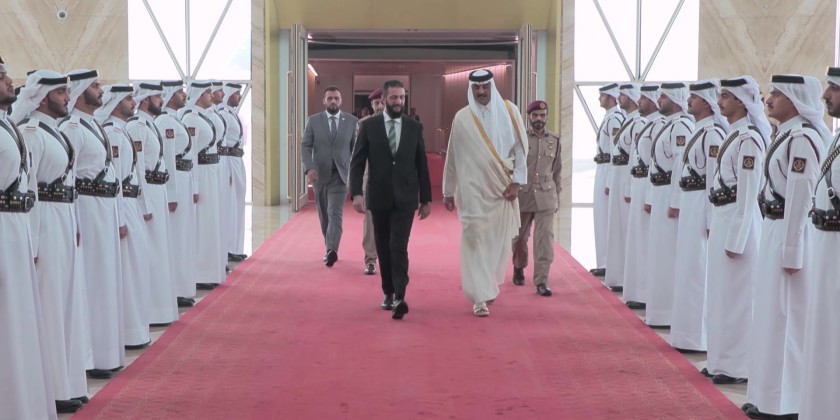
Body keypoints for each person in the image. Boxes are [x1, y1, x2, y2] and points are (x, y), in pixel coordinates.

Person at [742, 75, 828, 419]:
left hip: (789, 232)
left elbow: (800, 198)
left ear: (794, 99)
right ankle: (766, 396)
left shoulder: (802, 139)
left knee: (787, 316)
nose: (769, 99)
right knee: (770, 314)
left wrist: (792, 250)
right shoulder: (786, 135)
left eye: (777, 94)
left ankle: (785, 402)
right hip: (774, 227)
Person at [442, 69, 527, 317]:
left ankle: (487, 283)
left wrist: (517, 183)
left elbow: (521, 150)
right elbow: (453, 155)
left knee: (496, 242)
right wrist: (448, 190)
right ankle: (479, 296)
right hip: (471, 191)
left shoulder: (510, 112)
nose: (481, 92)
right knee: (474, 236)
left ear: (492, 86)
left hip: (501, 189)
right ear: (471, 89)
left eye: (485, 87)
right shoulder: (462, 118)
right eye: (476, 88)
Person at [0, 62, 59, 419]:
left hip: (15, 229)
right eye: (1, 77)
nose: (10, 81)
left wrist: (31, 238)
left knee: (19, 320)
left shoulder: (9, 125)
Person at [59, 69, 127, 379]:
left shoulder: (92, 124)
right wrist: (73, 220)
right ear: (81, 91)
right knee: (94, 281)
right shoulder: (72, 127)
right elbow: (68, 177)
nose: (101, 91)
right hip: (86, 208)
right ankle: (92, 356)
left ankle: (107, 352)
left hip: (103, 207)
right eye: (95, 86)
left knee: (106, 279)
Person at [705, 75, 770, 384]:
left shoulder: (749, 140)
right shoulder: (734, 135)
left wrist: (738, 237)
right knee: (721, 293)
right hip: (723, 216)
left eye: (725, 97)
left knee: (738, 298)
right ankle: (720, 360)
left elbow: (748, 192)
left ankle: (738, 367)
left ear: (742, 102)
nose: (719, 102)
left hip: (737, 220)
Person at [349, 80, 432, 320]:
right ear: (384, 100)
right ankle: (388, 291)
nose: (398, 102)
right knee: (384, 246)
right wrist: (356, 193)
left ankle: (400, 296)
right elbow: (357, 162)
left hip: (406, 197)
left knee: (398, 245)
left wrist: (426, 198)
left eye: (402, 97)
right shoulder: (369, 126)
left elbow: (422, 164)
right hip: (379, 196)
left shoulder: (414, 127)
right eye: (394, 97)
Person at [669, 80, 727, 352]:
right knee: (687, 268)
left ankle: (698, 337)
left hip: (701, 205)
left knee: (697, 270)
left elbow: (713, 180)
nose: (688, 100)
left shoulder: (712, 134)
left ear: (706, 102)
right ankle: (686, 334)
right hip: (690, 203)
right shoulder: (699, 130)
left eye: (694, 97)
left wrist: (710, 220)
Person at [97, 84, 153, 349]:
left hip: (131, 204)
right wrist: (120, 219)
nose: (134, 102)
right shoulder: (113, 133)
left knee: (138, 267)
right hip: (123, 205)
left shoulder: (122, 131)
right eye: (129, 98)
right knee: (130, 270)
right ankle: (131, 331)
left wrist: (143, 205)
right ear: (117, 102)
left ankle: (137, 328)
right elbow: (116, 179)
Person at [801, 66, 840, 420]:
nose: (826, 95)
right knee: (825, 333)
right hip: (826, 246)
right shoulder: (836, 137)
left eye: (834, 88)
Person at [126, 82, 180, 323]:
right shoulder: (136, 127)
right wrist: (144, 204)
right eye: (158, 96)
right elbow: (137, 168)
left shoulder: (150, 124)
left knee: (161, 250)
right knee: (153, 252)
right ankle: (153, 311)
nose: (162, 100)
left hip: (158, 191)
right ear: (146, 99)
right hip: (148, 191)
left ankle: (162, 308)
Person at [644, 82, 694, 328]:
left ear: (674, 99)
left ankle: (667, 313)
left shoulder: (682, 126)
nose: (659, 100)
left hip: (669, 195)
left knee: (666, 255)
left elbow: (679, 166)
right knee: (658, 253)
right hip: (660, 192)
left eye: (663, 96)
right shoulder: (669, 125)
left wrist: (675, 201)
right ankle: (658, 311)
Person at [301, 86, 358, 267]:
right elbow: (305, 145)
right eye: (330, 98)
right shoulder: (313, 121)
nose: (333, 101)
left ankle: (332, 249)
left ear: (341, 101)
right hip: (319, 175)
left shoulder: (351, 121)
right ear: (324, 101)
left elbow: (355, 150)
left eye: (336, 98)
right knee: (324, 214)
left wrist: (354, 173)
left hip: (340, 175)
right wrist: (309, 167)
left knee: (335, 212)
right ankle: (329, 245)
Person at [510, 100, 562, 297]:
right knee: (519, 238)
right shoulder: (519, 139)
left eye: (542, 115)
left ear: (547, 116)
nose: (538, 119)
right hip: (523, 194)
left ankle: (542, 280)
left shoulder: (555, 140)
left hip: (546, 195)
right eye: (535, 116)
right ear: (529, 117)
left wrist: (558, 196)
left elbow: (557, 170)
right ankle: (518, 266)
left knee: (544, 239)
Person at [157, 80, 199, 307]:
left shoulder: (174, 119)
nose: (184, 95)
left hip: (184, 178)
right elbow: (168, 160)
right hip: (176, 181)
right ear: (170, 95)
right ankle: (174, 290)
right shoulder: (165, 122)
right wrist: (172, 194)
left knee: (183, 236)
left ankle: (181, 287)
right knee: (177, 238)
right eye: (180, 92)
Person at [622, 83, 663, 309]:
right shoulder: (648, 124)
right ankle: (639, 289)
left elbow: (656, 164)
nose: (639, 102)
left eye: (644, 99)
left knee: (646, 241)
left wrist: (649, 196)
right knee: (637, 239)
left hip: (649, 186)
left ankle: (647, 293)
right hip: (639, 184)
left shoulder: (660, 126)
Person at [182, 81, 226, 288]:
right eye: (208, 92)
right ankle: (201, 273)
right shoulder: (191, 118)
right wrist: (195, 187)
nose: (211, 95)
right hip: (201, 172)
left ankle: (211, 271)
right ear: (199, 95)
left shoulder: (204, 116)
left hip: (211, 172)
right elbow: (190, 153)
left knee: (211, 223)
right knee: (203, 224)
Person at [603, 83, 646, 292]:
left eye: (623, 95)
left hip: (627, 176)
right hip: (618, 173)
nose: (619, 98)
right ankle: (618, 275)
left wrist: (628, 186)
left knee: (625, 227)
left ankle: (627, 278)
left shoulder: (638, 122)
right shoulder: (628, 120)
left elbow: (636, 156)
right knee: (617, 226)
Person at [590, 83, 624, 277]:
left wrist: (610, 180)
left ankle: (606, 262)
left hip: (607, 169)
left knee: (605, 217)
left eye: (602, 95)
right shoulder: (610, 118)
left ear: (611, 97)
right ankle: (602, 260)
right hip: (602, 167)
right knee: (600, 216)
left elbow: (615, 150)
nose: (599, 99)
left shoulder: (615, 119)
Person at [356, 88, 385, 275]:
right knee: (370, 222)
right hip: (370, 179)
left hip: (393, 181)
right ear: (371, 105)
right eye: (376, 103)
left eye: (382, 102)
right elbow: (357, 157)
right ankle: (370, 259)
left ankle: (390, 258)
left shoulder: (400, 123)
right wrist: (356, 187)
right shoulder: (363, 124)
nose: (380, 107)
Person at [219, 82, 248, 263]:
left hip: (237, 159)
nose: (239, 96)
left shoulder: (231, 114)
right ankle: (229, 248)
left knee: (238, 204)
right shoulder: (223, 114)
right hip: (229, 160)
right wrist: (226, 169)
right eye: (236, 93)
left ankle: (236, 247)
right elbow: (222, 143)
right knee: (231, 205)